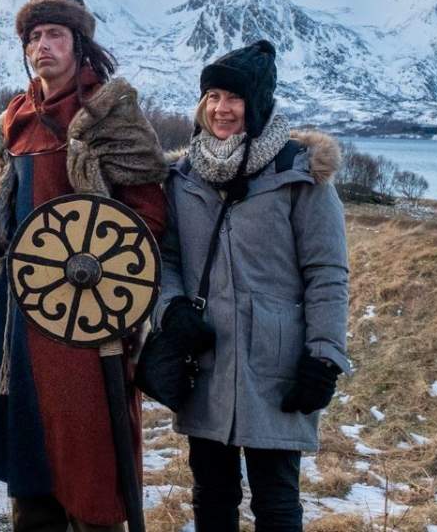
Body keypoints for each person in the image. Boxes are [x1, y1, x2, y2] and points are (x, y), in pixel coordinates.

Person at [0, 0, 169, 532]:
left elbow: (145, 220)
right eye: (34, 36)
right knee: (30, 455)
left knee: (88, 459)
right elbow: (16, 215)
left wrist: (95, 270)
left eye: (54, 33)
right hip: (21, 310)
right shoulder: (15, 119)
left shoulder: (110, 114)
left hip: (86, 318)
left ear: (78, 42)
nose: (42, 46)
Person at [157, 40, 350, 532]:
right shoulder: (182, 176)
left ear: (258, 104)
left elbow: (327, 273)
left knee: (277, 502)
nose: (221, 109)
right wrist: (171, 309)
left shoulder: (300, 175)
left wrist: (324, 356)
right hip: (206, 358)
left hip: (277, 362)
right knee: (211, 496)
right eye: (213, 96)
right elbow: (166, 259)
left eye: (235, 98)